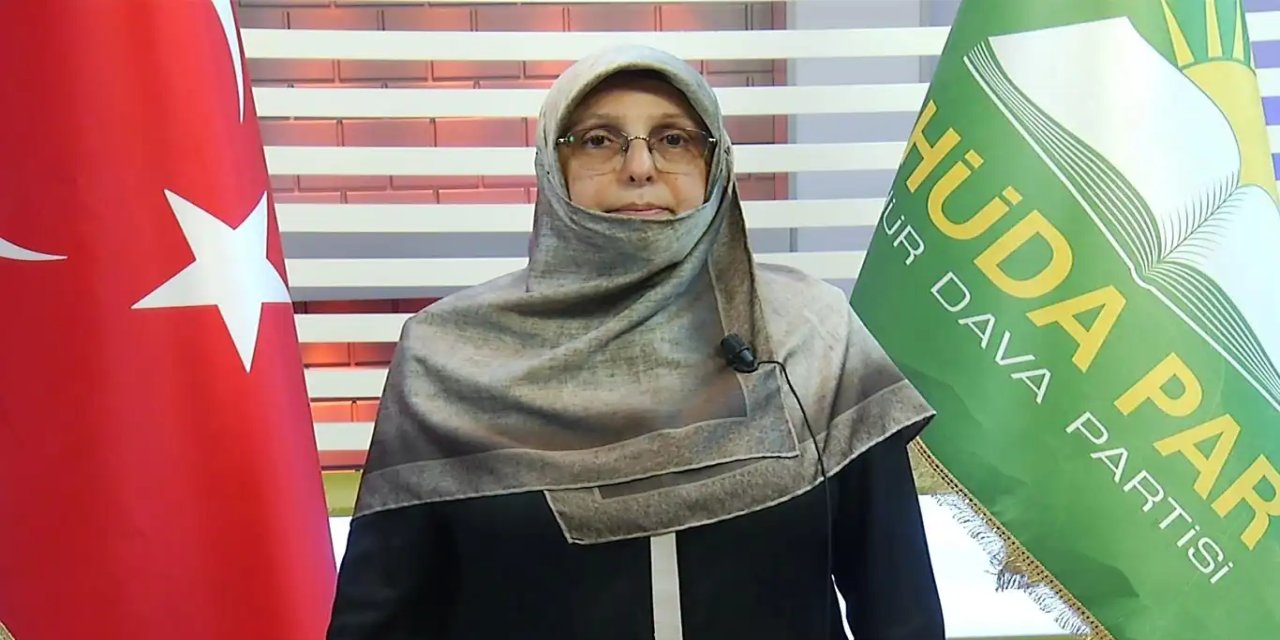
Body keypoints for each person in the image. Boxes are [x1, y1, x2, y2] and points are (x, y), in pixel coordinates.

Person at [326, 44, 945, 640]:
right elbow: (382, 619)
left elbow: (899, 608)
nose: (640, 167)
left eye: (674, 139)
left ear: (715, 164)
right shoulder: (449, 357)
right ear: (553, 165)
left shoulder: (812, 333)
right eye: (600, 140)